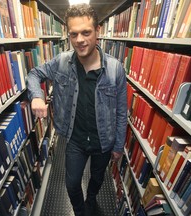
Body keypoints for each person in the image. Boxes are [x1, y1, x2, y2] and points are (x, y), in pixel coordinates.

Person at [27, 3, 128, 216]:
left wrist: (118, 145)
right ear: (68, 35)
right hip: (75, 139)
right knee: (72, 184)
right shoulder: (62, 62)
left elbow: (121, 110)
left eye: (86, 32)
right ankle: (80, 211)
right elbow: (35, 73)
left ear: (98, 31)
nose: (80, 40)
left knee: (98, 178)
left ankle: (91, 199)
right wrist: (36, 96)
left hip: (104, 140)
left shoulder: (115, 68)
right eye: (74, 34)